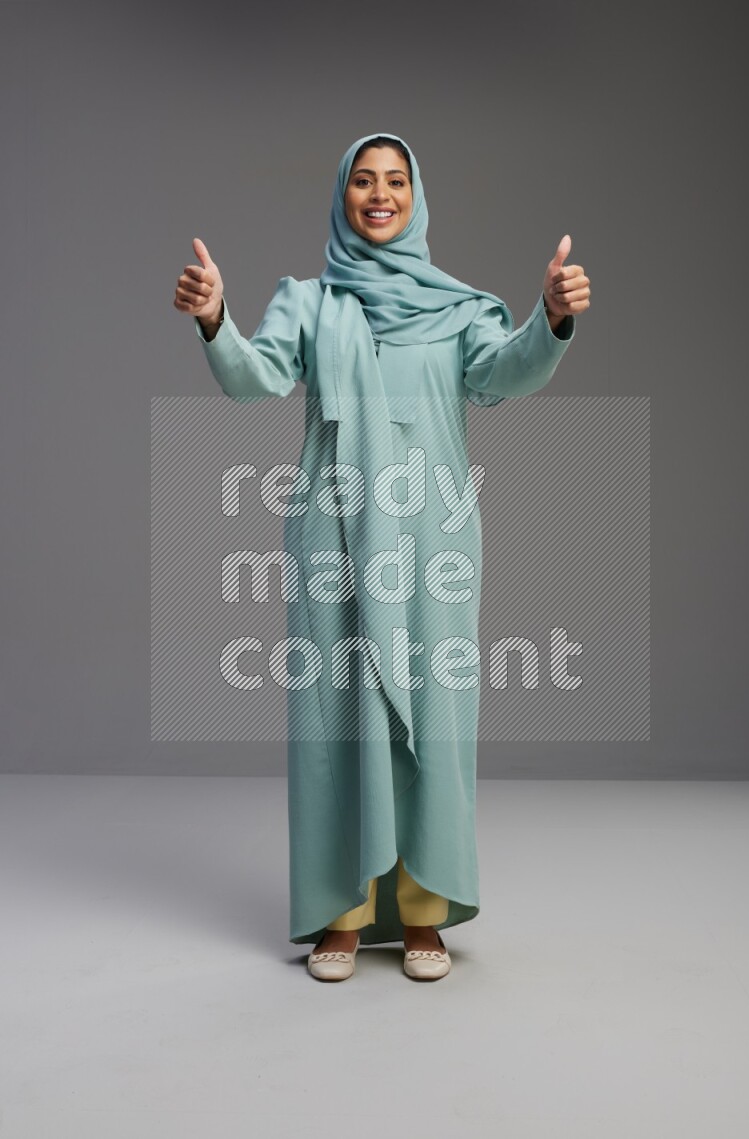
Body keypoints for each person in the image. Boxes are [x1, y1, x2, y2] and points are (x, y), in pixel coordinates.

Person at [174, 131, 590, 983]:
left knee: (432, 720)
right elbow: (254, 378)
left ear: (416, 196)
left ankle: (424, 911)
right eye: (363, 180)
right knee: (336, 723)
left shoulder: (460, 310)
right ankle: (343, 912)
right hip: (333, 536)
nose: (379, 194)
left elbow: (507, 372)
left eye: (395, 180)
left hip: (433, 539)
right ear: (343, 196)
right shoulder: (308, 302)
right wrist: (216, 318)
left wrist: (550, 319)